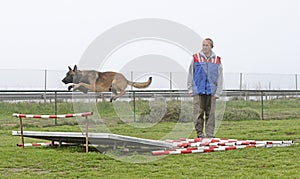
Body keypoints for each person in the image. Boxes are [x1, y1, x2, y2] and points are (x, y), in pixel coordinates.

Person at [187, 38, 223, 138]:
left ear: (211, 46)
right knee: (198, 113)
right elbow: (191, 73)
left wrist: (218, 92)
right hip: (198, 90)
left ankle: (210, 134)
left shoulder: (217, 60)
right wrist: (190, 88)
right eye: (203, 45)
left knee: (210, 114)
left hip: (211, 91)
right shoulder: (196, 58)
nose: (204, 47)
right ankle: (200, 134)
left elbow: (220, 77)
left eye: (206, 45)